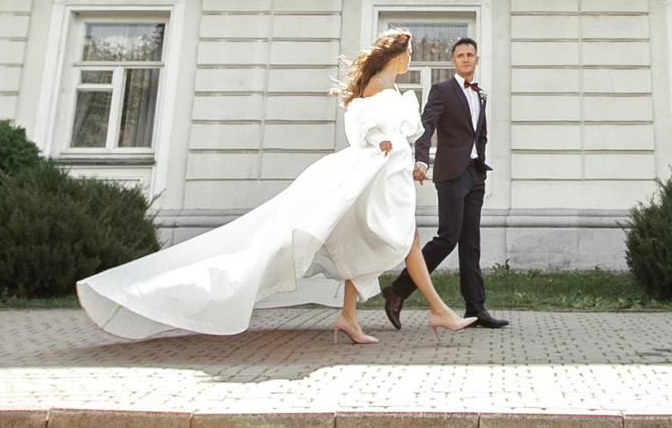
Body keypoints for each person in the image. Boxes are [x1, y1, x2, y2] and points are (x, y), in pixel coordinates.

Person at [77, 29, 476, 342]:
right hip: (376, 176)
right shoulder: (377, 86)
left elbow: (383, 127)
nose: (411, 60)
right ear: (398, 55)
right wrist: (381, 140)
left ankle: (350, 316)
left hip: (388, 177)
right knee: (402, 238)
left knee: (364, 241)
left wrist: (394, 148)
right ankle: (437, 310)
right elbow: (363, 126)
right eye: (410, 54)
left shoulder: (389, 88)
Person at [383, 34, 507, 329]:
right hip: (451, 173)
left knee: (471, 242)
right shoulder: (442, 90)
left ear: (477, 60)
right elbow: (426, 126)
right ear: (453, 61)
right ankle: (398, 290)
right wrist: (422, 160)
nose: (465, 59)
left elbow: (480, 134)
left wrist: (480, 159)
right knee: (448, 237)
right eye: (460, 55)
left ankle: (476, 308)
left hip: (475, 173)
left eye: (470, 55)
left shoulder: (480, 94)